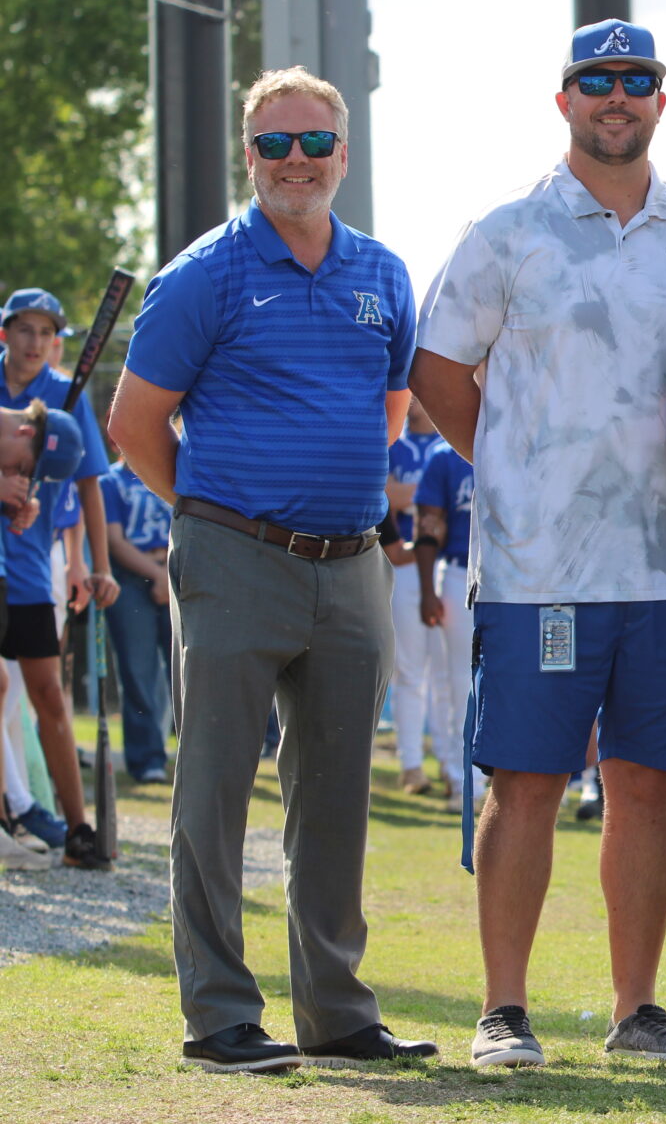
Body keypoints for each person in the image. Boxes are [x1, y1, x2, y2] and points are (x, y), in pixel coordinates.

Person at [411, 19, 666, 1070]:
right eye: (595, 81)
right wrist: (515, 467)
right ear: (563, 101)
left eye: (636, 81)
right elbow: (440, 371)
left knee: (646, 787)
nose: (616, 97)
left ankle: (637, 1010)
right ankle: (503, 1010)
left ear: (659, 101)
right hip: (540, 568)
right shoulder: (506, 231)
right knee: (527, 782)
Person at [107, 65, 435, 1073]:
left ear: (344, 151)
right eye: (273, 144)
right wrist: (212, 514)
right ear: (249, 156)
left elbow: (388, 415)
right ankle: (220, 1020)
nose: (296, 161)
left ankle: (336, 1015)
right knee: (211, 796)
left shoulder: (382, 273)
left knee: (335, 799)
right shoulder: (204, 273)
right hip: (232, 559)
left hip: (349, 567)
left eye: (314, 143)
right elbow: (132, 425)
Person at [2, 288, 118, 868]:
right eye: (25, 330)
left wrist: (96, 564)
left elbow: (90, 484)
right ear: (5, 334)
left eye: (47, 334)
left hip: (27, 567)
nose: (36, 343)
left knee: (48, 695)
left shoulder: (62, 400)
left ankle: (78, 830)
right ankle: (15, 811)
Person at [410, 436, 481, 815]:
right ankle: (462, 781)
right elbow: (427, 525)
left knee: (509, 681)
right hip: (458, 575)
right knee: (459, 684)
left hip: (515, 578)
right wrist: (426, 590)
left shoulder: (515, 438)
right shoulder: (444, 455)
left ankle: (494, 780)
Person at [102, 448, 177, 782]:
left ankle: (197, 758)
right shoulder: (110, 481)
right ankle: (147, 759)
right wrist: (156, 575)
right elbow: (115, 542)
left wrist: (168, 573)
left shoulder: (171, 472)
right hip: (132, 580)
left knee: (187, 670)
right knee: (137, 670)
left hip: (175, 571)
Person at [386, 397, 443, 794]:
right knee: (408, 670)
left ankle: (451, 760)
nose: (415, 399)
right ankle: (410, 763)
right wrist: (429, 493)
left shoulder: (452, 442)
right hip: (404, 562)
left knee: (449, 674)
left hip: (451, 563)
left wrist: (410, 494)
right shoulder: (394, 444)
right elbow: (384, 495)